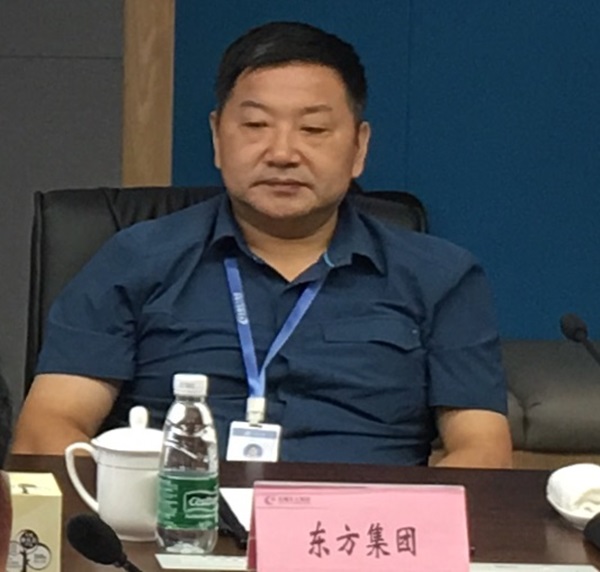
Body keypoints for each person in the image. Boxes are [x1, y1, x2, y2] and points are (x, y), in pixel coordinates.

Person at [12, 21, 512, 467]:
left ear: (359, 146)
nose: (282, 152)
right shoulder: (135, 259)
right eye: (255, 126)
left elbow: (483, 449)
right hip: (175, 521)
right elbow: (47, 428)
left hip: (360, 529)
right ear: (217, 137)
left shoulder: (439, 277)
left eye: (313, 129)